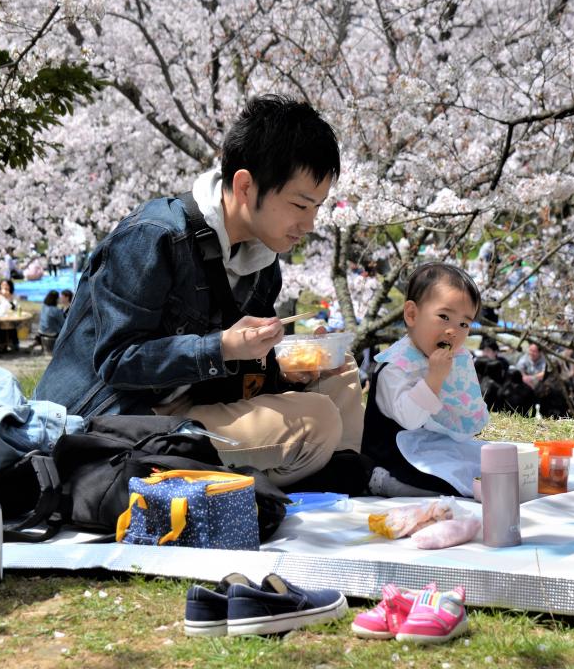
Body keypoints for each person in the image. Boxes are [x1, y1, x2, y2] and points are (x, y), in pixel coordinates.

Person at [33, 95, 365, 489]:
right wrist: (221, 347)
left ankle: (337, 488)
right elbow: (116, 361)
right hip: (114, 424)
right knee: (318, 420)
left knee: (339, 372)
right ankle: (303, 481)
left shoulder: (262, 262)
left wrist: (285, 369)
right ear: (245, 185)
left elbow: (238, 369)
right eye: (299, 204)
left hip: (194, 408)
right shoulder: (153, 238)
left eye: (317, 208)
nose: (309, 224)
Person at [361, 263, 490, 497]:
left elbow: (464, 409)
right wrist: (433, 379)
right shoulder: (395, 366)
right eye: (444, 317)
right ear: (412, 314)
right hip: (396, 454)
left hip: (436, 444)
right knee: (444, 480)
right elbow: (409, 420)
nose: (453, 331)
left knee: (487, 461)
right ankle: (380, 481)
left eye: (464, 324)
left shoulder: (457, 358)